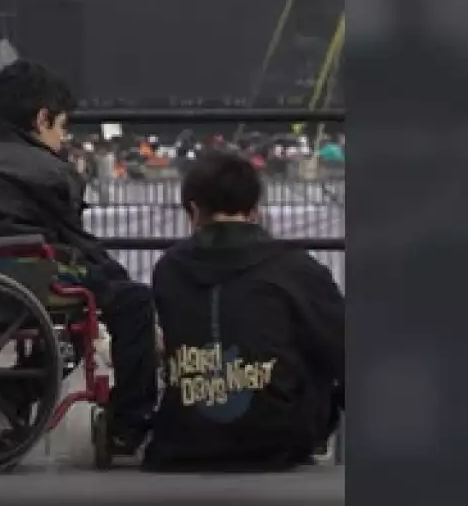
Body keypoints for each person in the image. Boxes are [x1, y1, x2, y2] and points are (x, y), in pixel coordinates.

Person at [0, 60, 158, 455]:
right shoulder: (50, 171)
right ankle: (129, 424)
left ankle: (6, 396)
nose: (63, 138)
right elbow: (81, 245)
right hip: (34, 279)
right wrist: (120, 279)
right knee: (130, 301)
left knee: (82, 296)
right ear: (43, 118)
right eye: (62, 126)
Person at [144, 151, 345, 472]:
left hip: (184, 440)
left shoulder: (168, 268)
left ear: (194, 211)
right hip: (279, 441)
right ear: (255, 211)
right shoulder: (296, 267)